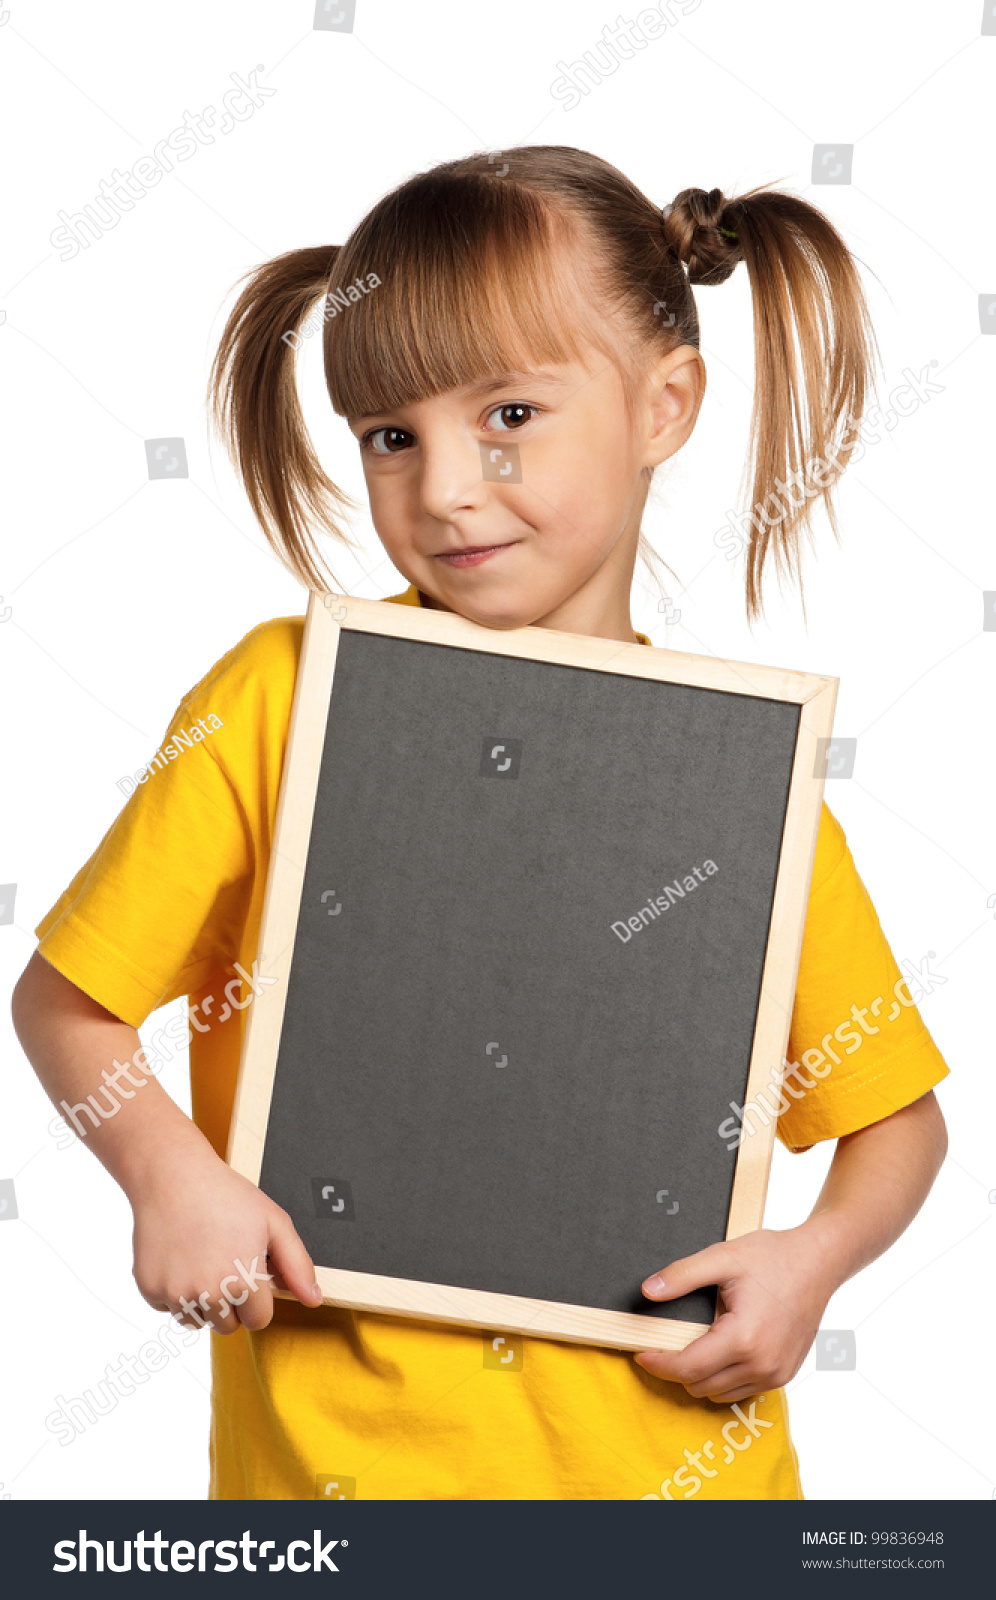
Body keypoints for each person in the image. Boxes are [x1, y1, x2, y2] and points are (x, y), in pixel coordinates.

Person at [12, 146, 949, 1500]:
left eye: (508, 414)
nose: (442, 486)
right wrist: (166, 1173)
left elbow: (895, 1122)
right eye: (392, 436)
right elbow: (68, 999)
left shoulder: (730, 774)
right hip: (336, 1497)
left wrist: (811, 1263)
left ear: (665, 405)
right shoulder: (284, 698)